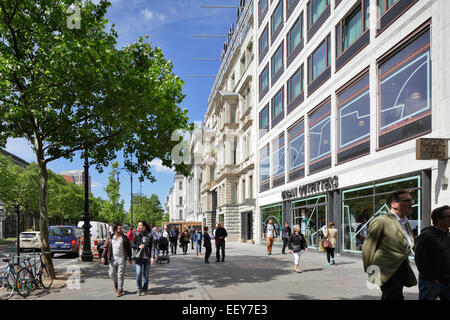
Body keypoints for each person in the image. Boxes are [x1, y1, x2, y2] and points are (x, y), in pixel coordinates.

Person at [362, 190, 417, 300]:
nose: (412, 202)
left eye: (412, 200)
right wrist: (372, 274)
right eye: (407, 200)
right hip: (386, 270)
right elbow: (368, 248)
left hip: (401, 269)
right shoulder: (381, 221)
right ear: (394, 204)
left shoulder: (405, 222)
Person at [415, 205, 450, 300]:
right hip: (431, 281)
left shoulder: (447, 235)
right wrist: (432, 278)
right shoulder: (426, 236)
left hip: (447, 280)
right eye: (449, 216)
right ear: (439, 219)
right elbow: (420, 259)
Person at [101, 223, 132, 297]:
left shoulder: (124, 238)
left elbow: (128, 249)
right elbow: (105, 247)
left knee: (120, 276)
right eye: (119, 228)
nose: (120, 230)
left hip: (121, 259)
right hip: (112, 259)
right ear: (115, 229)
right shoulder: (110, 238)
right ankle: (116, 283)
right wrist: (103, 256)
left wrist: (130, 258)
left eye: (121, 228)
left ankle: (120, 290)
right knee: (111, 274)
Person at [132, 220, 155, 296]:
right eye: (138, 225)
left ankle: (145, 289)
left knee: (146, 275)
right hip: (139, 257)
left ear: (144, 226)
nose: (139, 226)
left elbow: (152, 247)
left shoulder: (150, 235)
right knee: (138, 273)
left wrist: (152, 257)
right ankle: (139, 289)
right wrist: (139, 246)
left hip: (147, 257)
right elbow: (133, 245)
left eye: (140, 225)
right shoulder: (136, 235)